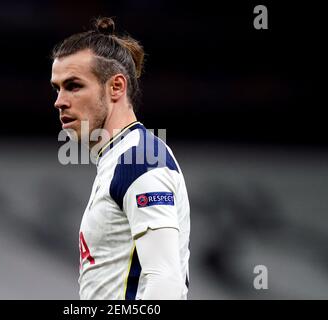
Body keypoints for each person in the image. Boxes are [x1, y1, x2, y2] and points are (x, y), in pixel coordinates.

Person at [50, 17, 190, 300]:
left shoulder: (139, 161)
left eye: (73, 86)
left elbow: (166, 284)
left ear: (116, 87)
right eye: (57, 88)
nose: (59, 101)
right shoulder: (118, 160)